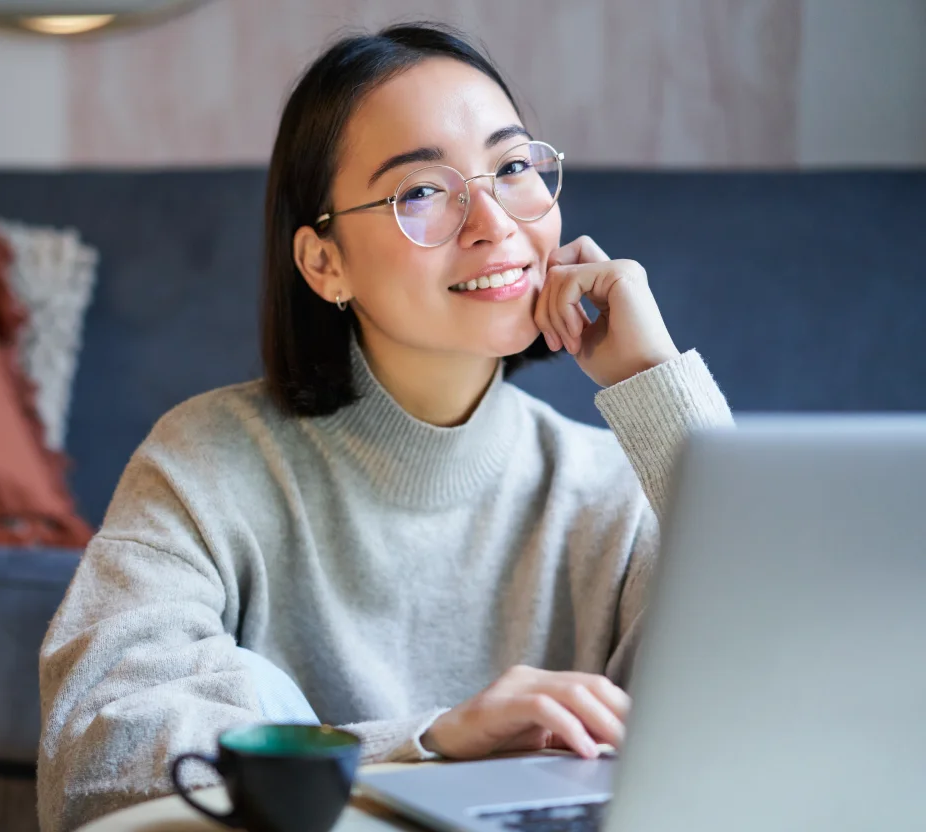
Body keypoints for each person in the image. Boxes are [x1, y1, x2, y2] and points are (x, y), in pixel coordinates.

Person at [37, 22, 733, 830]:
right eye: (422, 191)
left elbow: (799, 690)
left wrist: (656, 383)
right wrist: (430, 740)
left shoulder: (621, 492)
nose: (496, 222)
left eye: (512, 168)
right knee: (254, 693)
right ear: (324, 262)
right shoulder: (205, 462)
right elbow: (99, 751)